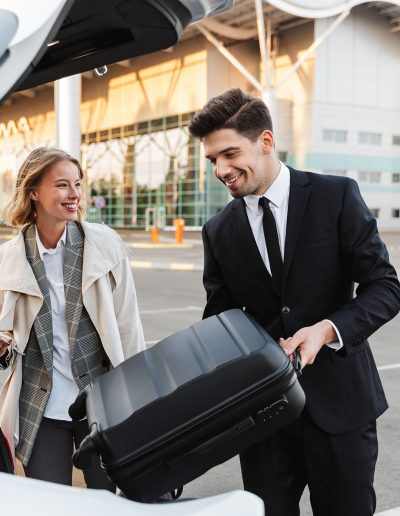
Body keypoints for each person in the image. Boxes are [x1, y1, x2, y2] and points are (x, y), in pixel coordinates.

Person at [188, 88, 400, 516]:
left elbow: (385, 287)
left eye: (229, 154)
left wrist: (326, 330)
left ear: (265, 142)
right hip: (264, 418)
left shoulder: (335, 196)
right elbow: (222, 318)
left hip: (341, 409)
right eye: (212, 159)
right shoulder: (218, 230)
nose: (221, 169)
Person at [0, 147, 145, 488]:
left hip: (101, 400)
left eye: (77, 184)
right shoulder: (7, 260)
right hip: (39, 405)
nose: (74, 194)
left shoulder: (105, 246)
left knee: (109, 499)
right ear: (33, 192)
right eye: (62, 185)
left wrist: (140, 398)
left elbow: (128, 326)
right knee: (49, 503)